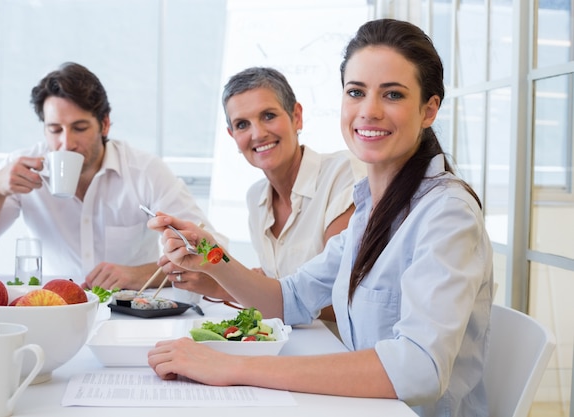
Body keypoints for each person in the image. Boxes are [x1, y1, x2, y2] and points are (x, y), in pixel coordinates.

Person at [146, 18, 493, 417]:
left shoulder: (446, 213)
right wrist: (209, 256)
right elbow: (289, 300)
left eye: (393, 94)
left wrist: (236, 367)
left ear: (429, 110)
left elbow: (419, 370)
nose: (369, 111)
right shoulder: (371, 208)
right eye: (356, 92)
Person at [0, 62, 222, 291]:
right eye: (55, 130)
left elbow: (214, 251)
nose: (66, 143)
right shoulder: (22, 169)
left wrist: (142, 274)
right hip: (52, 308)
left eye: (79, 128)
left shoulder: (144, 172)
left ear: (104, 124)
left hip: (128, 312)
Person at [170, 66, 366, 325]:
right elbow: (277, 281)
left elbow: (338, 296)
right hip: (290, 344)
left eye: (269, 115)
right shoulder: (257, 199)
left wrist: (223, 283)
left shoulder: (344, 174)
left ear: (297, 117)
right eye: (242, 124)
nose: (258, 133)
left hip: (339, 349)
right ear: (233, 136)